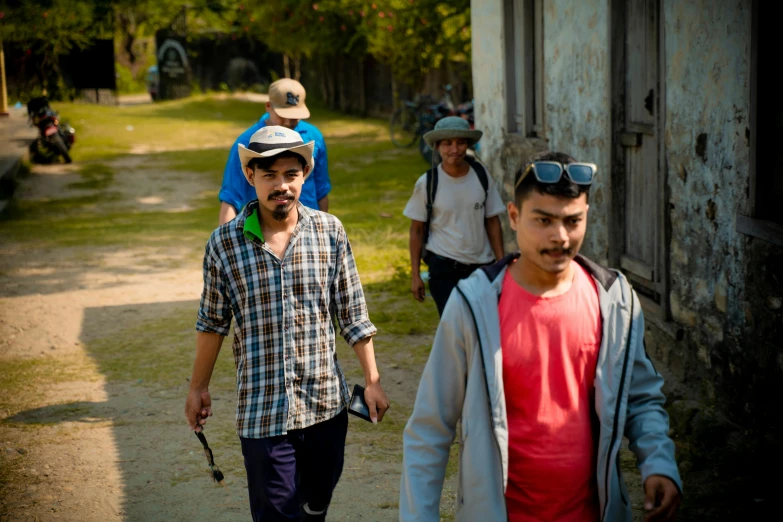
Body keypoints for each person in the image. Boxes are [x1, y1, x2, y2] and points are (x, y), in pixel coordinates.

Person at [400, 151, 682, 522]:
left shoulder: (614, 301)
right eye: (543, 220)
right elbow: (430, 428)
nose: (560, 236)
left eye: (572, 220)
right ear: (514, 217)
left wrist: (659, 463)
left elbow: (641, 398)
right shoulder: (474, 305)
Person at [186, 126, 390, 521]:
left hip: (326, 405)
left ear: (305, 174)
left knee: (317, 499)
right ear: (251, 177)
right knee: (278, 513)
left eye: (291, 175)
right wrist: (198, 388)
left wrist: (374, 379)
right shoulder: (224, 244)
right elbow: (212, 323)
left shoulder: (330, 232)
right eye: (270, 175)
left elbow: (352, 312)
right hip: (263, 412)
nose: (282, 185)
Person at [402, 116, 505, 316]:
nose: (455, 149)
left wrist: (501, 266)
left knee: (482, 324)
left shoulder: (481, 176)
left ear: (467, 145)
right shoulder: (428, 183)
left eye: (460, 143)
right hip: (444, 268)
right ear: (438, 147)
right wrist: (415, 275)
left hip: (481, 267)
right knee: (454, 329)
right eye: (448, 143)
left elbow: (493, 221)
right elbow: (416, 230)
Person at [219, 78, 331, 225]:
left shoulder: (314, 136)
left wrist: (323, 228)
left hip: (308, 227)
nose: (288, 122)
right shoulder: (247, 142)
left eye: (294, 116)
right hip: (264, 229)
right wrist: (227, 241)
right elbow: (231, 198)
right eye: (283, 115)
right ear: (268, 106)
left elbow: (321, 189)